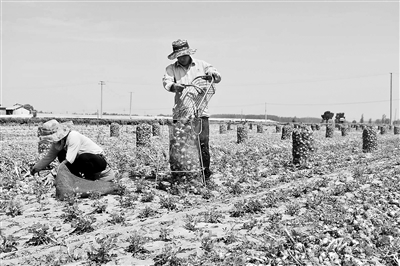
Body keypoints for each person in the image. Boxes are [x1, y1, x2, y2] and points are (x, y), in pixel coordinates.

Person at [162, 39, 222, 182]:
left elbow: (215, 74)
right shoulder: (171, 68)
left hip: (200, 112)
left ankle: (204, 174)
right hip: (181, 112)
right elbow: (167, 82)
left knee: (202, 143)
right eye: (179, 55)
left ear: (188, 53)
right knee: (179, 144)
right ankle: (179, 174)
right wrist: (175, 86)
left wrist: (213, 75)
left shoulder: (202, 65)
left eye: (184, 55)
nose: (182, 58)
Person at [30, 119, 114, 181]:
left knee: (83, 157)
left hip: (97, 161)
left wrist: (53, 173)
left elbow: (69, 160)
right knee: (61, 155)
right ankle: (78, 178)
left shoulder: (73, 136)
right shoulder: (57, 143)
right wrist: (34, 170)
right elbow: (48, 158)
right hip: (82, 161)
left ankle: (91, 177)